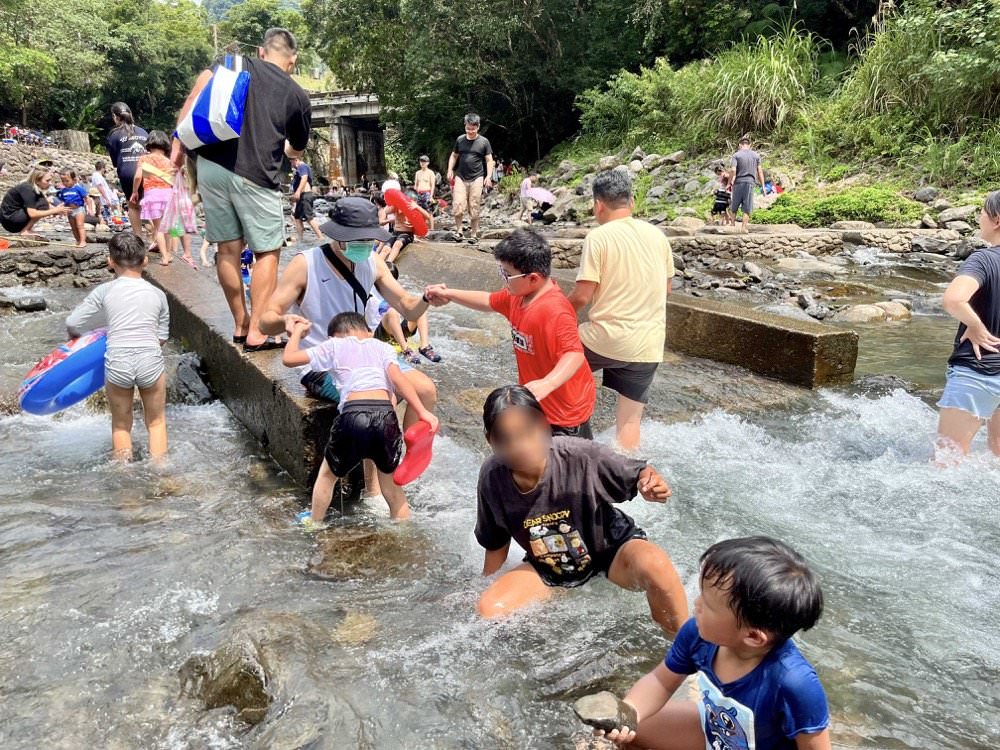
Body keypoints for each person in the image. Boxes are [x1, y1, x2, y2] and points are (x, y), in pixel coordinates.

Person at [473, 385, 687, 634]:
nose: (519, 447)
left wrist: (650, 484)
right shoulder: (492, 477)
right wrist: (488, 583)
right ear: (490, 440)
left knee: (656, 565)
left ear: (544, 426)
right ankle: (558, 598)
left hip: (611, 553)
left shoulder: (580, 455)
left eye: (526, 433)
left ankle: (684, 651)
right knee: (490, 609)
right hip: (550, 567)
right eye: (506, 439)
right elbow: (496, 541)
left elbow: (638, 471)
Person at [600, 537, 830, 750]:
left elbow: (814, 747)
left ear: (753, 637)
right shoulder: (698, 635)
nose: (697, 604)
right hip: (715, 730)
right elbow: (661, 681)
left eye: (709, 605)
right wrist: (630, 712)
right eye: (701, 594)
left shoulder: (795, 684)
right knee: (629, 730)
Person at [173, 27, 311, 352]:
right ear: (293, 60)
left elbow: (195, 97)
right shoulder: (296, 96)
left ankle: (240, 323)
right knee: (266, 251)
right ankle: (259, 333)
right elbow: (296, 148)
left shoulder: (233, 63)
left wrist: (177, 148)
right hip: (257, 174)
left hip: (211, 167)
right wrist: (288, 153)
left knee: (226, 250)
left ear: (262, 52)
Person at [259, 196, 438, 440]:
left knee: (426, 390)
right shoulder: (306, 264)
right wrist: (285, 322)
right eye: (359, 239)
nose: (365, 244)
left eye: (369, 238)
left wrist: (426, 299)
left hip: (365, 354)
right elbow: (265, 321)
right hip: (322, 362)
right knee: (381, 401)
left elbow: (407, 307)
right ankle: (375, 475)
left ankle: (405, 452)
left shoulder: (373, 261)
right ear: (338, 235)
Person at [427, 229, 596, 437]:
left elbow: (574, 354)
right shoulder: (518, 295)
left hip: (566, 411)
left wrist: (548, 383)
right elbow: (488, 301)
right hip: (539, 404)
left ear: (533, 278)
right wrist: (449, 294)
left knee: (567, 466)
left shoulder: (554, 309)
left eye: (507, 274)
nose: (504, 279)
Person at [282, 312, 439, 524]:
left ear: (333, 336)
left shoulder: (334, 346)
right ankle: (402, 531)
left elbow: (289, 359)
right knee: (392, 486)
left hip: (353, 414)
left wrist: (297, 333)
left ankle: (314, 522)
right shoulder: (382, 347)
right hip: (385, 415)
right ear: (368, 332)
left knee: (327, 477)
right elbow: (398, 379)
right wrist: (422, 411)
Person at [568, 170, 674, 451]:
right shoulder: (658, 236)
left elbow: (581, 296)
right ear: (633, 202)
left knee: (559, 369)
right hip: (648, 345)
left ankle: (580, 449)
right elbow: (667, 289)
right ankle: (626, 479)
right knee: (629, 423)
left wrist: (556, 317)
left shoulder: (599, 237)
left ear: (598, 205)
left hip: (603, 339)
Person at [65, 233, 170, 463]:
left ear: (110, 262)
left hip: (118, 360)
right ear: (145, 261)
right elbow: (161, 337)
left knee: (121, 426)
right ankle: (163, 475)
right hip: (149, 360)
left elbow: (73, 323)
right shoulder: (158, 294)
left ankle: (126, 489)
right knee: (156, 422)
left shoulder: (104, 291)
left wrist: (77, 341)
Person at [936, 190, 1000, 462]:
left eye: (983, 212)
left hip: (978, 371)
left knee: (946, 462)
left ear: (997, 220)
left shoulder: (984, 260)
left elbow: (953, 299)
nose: (979, 218)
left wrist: (974, 325)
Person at [367, 261, 442, 365]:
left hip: (396, 330)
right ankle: (405, 350)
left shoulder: (396, 293)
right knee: (392, 312)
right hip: (379, 333)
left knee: (420, 309)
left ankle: (424, 346)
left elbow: (408, 307)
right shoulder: (369, 293)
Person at [131, 130, 177, 265]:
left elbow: (138, 176)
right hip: (168, 195)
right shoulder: (168, 161)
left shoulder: (145, 159)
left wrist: (135, 191)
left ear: (149, 144)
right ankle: (168, 254)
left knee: (158, 228)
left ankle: (164, 257)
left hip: (153, 194)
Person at [446, 113, 494, 241]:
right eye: (468, 128)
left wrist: (488, 176)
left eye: (473, 128)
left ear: (478, 127)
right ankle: (459, 231)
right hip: (460, 176)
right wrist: (450, 169)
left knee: (474, 206)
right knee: (457, 206)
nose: (470, 131)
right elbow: (454, 155)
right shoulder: (460, 140)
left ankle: (473, 234)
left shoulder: (484, 142)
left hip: (477, 177)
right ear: (465, 126)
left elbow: (489, 160)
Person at [106, 102, 149, 235]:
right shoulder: (143, 132)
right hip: (147, 172)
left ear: (115, 116)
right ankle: (154, 237)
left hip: (127, 172)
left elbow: (115, 162)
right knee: (147, 204)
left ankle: (138, 238)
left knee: (133, 205)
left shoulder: (114, 134)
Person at [1, 168, 69, 237]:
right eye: (47, 181)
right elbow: (32, 214)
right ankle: (25, 231)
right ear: (37, 181)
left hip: (13, 217)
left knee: (43, 203)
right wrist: (55, 210)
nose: (50, 183)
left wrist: (59, 210)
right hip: (10, 220)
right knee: (43, 204)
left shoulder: (34, 188)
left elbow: (46, 205)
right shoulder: (28, 189)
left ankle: (27, 229)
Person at [379, 198, 433, 264]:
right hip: (395, 233)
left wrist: (417, 207)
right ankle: (377, 266)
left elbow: (428, 216)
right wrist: (394, 205)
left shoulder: (413, 209)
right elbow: (386, 211)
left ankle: (389, 263)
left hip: (407, 234)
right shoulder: (396, 207)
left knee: (397, 244)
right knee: (385, 249)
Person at [729, 136, 765, 232]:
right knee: (747, 206)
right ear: (749, 145)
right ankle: (743, 228)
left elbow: (733, 170)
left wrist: (729, 182)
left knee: (734, 205)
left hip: (738, 182)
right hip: (749, 182)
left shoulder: (736, 155)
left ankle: (732, 225)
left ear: (740, 145)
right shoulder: (756, 156)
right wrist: (763, 186)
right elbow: (760, 171)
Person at [290, 155, 324, 246]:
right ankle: (300, 239)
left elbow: (304, 178)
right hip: (301, 196)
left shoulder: (302, 166)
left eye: (291, 162)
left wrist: (297, 192)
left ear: (295, 160)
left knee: (309, 217)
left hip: (305, 195)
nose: (291, 164)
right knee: (297, 218)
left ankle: (320, 237)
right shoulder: (299, 169)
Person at [55, 168, 90, 248]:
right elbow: (64, 201)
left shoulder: (78, 188)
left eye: (67, 181)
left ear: (74, 180)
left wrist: (90, 208)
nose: (65, 183)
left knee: (80, 225)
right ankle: (78, 240)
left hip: (79, 209)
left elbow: (87, 198)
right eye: (63, 181)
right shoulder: (63, 191)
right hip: (70, 211)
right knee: (73, 227)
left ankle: (83, 241)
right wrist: (61, 209)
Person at [91, 160, 118, 225]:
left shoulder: (97, 176)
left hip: (104, 199)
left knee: (108, 215)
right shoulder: (97, 176)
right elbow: (100, 187)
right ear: (102, 168)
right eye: (104, 168)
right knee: (106, 217)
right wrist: (106, 198)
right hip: (103, 200)